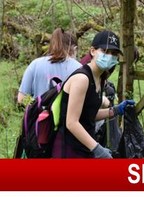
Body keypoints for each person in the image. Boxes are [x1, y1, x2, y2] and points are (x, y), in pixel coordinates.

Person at [52, 30, 134, 158]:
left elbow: (87, 115)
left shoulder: (100, 78)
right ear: (92, 51)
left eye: (114, 53)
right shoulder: (82, 78)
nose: (110, 56)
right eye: (105, 51)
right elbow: (72, 122)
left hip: (85, 147)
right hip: (69, 149)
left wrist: (114, 110)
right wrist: (98, 149)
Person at [17, 28, 80, 105]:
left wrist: (36, 107)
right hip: (65, 116)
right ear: (74, 49)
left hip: (38, 115)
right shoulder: (78, 68)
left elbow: (21, 98)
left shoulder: (35, 64)